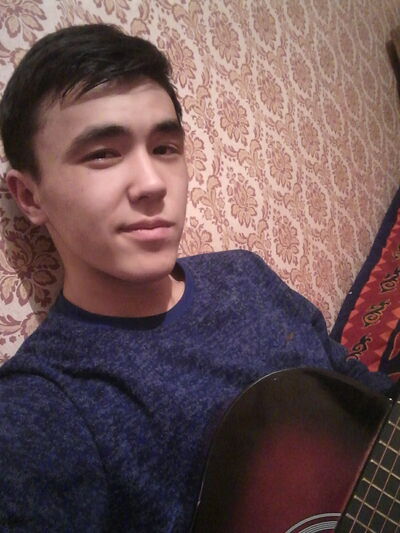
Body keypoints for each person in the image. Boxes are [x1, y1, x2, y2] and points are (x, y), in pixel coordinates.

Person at [0, 24, 396, 532]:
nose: (151, 184)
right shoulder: (43, 411)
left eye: (165, 147)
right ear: (29, 196)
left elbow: (356, 389)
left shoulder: (244, 275)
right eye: (102, 153)